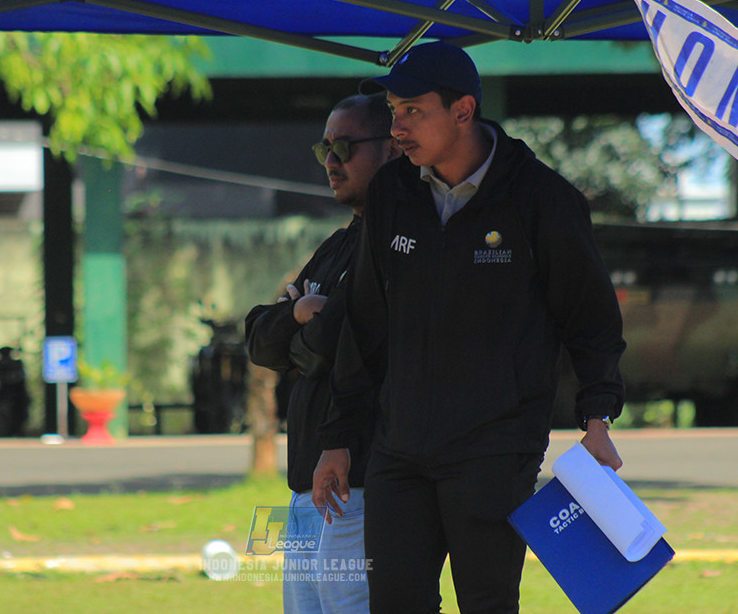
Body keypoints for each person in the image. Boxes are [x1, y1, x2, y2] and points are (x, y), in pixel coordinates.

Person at [312, 42, 626, 614]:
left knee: (486, 603)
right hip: (398, 449)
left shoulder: (542, 199)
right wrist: (338, 437)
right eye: (393, 111)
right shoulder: (391, 191)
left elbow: (591, 319)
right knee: (393, 603)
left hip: (496, 448)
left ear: (463, 110)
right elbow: (364, 325)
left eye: (413, 111)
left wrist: (597, 418)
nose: (397, 128)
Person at [246, 93, 399, 614]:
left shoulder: (397, 244)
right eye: (324, 148)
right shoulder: (337, 244)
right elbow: (258, 341)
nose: (331, 161)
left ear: (392, 149)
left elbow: (333, 347)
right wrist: (298, 314)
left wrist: (302, 328)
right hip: (305, 486)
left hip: (355, 486)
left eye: (344, 147)